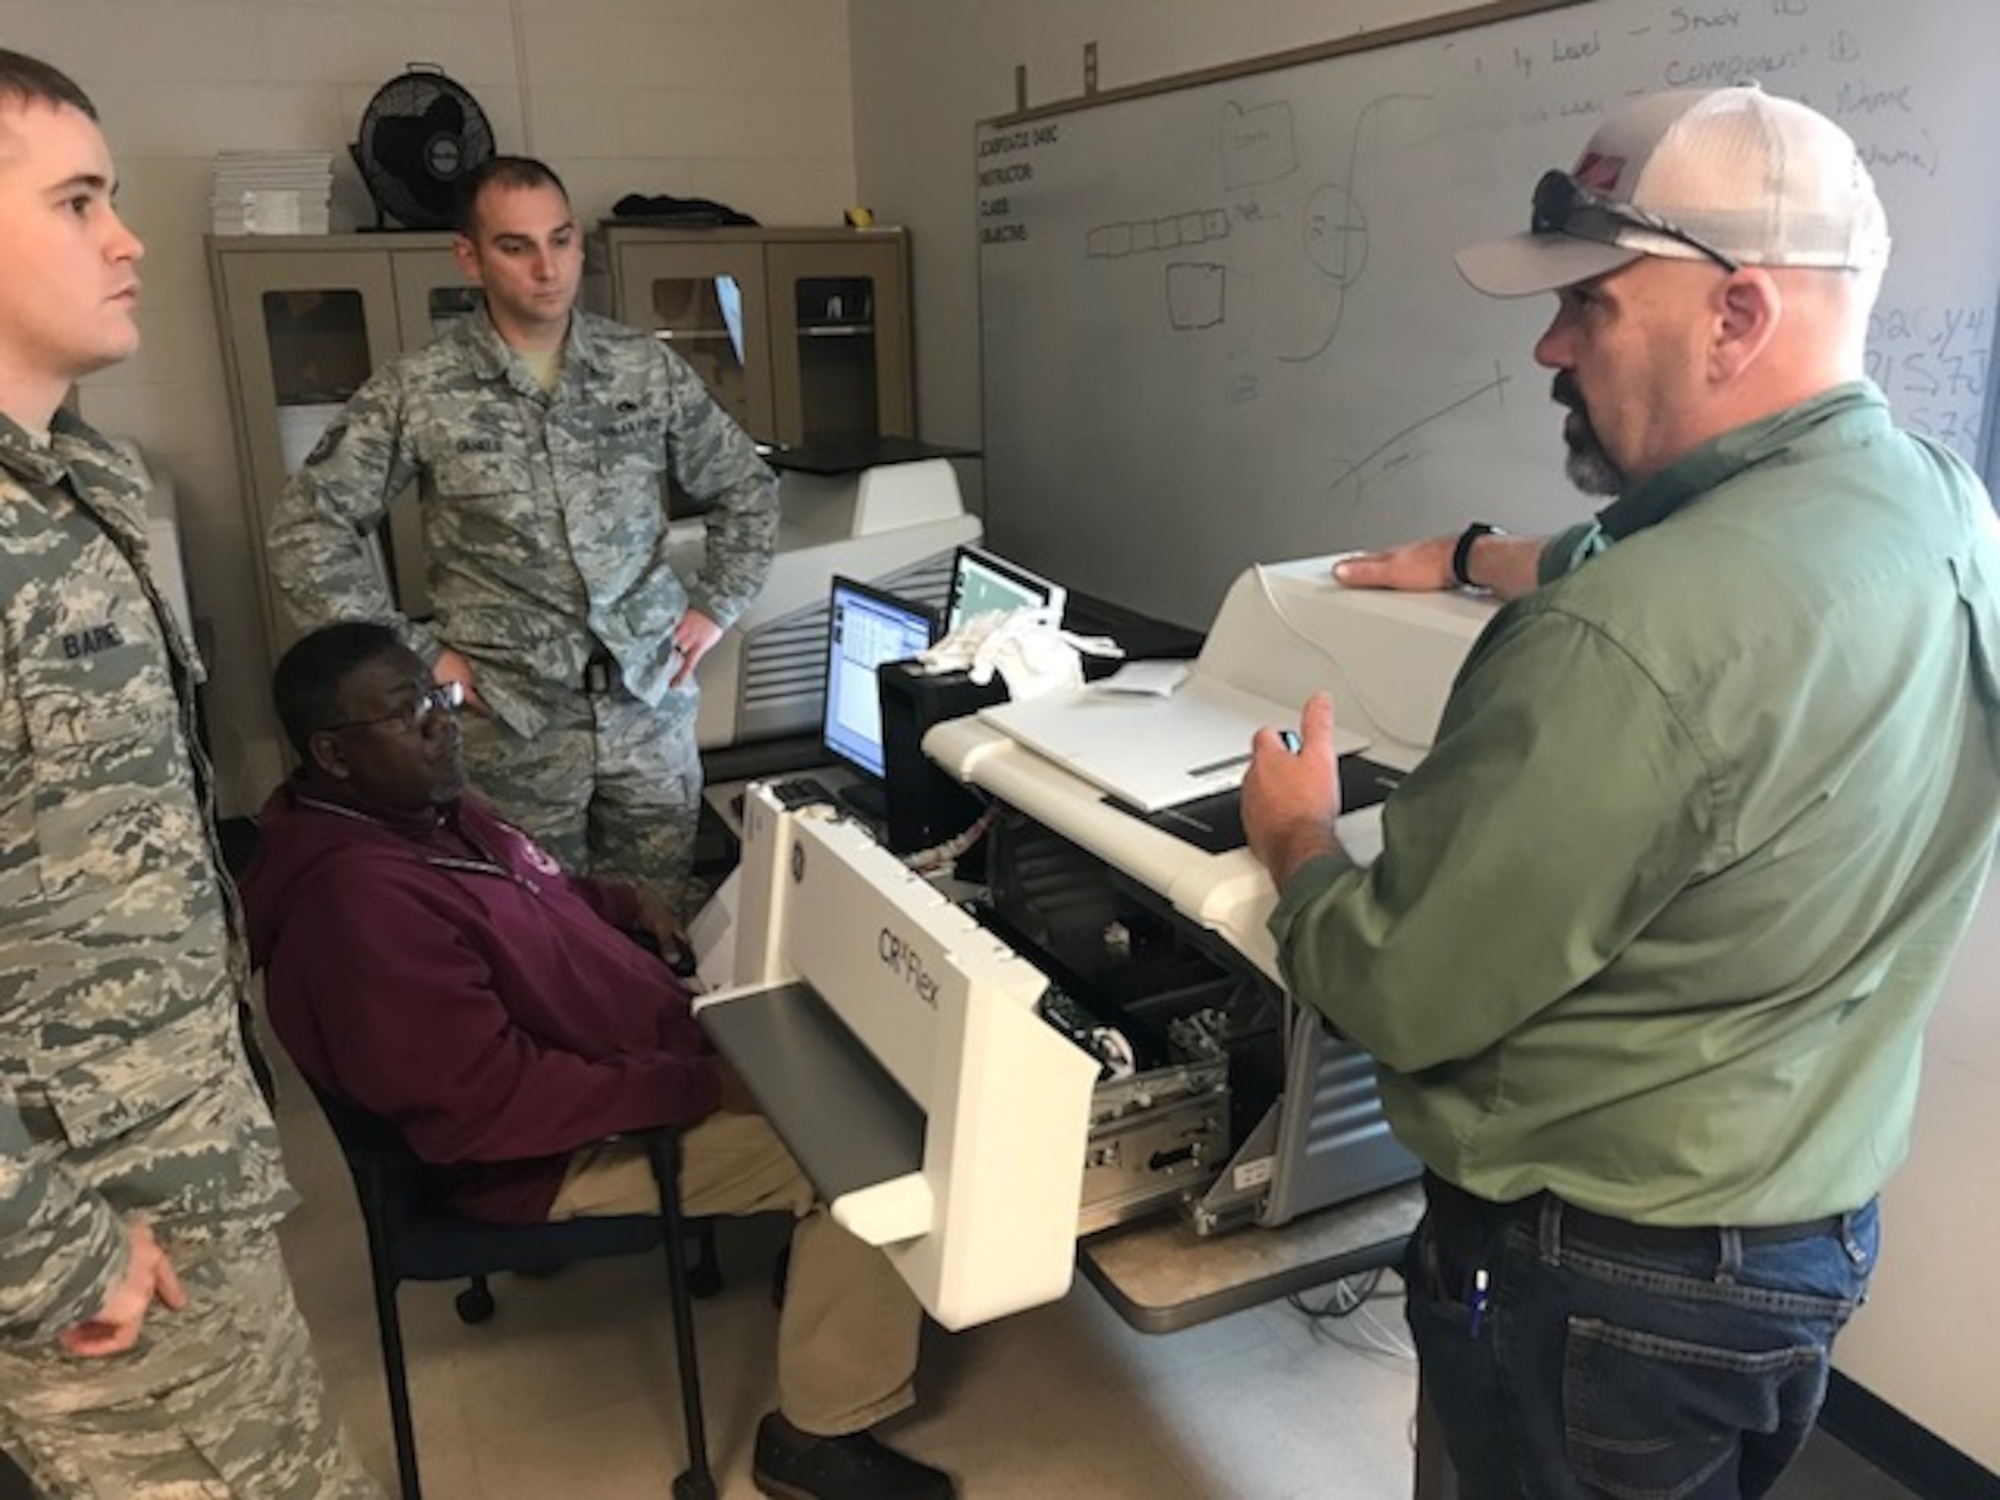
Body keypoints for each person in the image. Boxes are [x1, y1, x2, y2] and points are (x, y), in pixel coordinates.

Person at [1242, 85, 2000, 1497]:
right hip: (1802, 1242)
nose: (1548, 341)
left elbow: (1396, 986)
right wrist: (1473, 557)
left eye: (1588, 302)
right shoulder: (1935, 504)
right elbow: (1684, 564)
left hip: (1595, 1273)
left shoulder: (1619, 648)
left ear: (1736, 317)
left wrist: (1295, 843)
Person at [243, 620, 955, 1500]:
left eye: (441, 696)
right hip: (550, 1151)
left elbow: (528, 884)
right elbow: (488, 1104)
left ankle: (826, 1273)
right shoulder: (358, 905)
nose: (444, 721)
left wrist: (620, 902)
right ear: (333, 754)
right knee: (879, 1150)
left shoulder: (420, 814)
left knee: (828, 1038)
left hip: (632, 1057)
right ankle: (817, 1437)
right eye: (412, 711)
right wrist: (702, 1085)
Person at [0, 50, 380, 1498]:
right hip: (86, 1241)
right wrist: (52, 1251)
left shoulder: (72, 480)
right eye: (79, 200)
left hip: (173, 1169)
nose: (130, 237)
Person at [266, 154, 779, 915]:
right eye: (517, 246)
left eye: (562, 240)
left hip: (648, 709)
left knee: (661, 922)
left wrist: (717, 603)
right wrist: (415, 651)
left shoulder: (643, 370)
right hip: (510, 726)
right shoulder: (421, 389)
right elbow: (306, 528)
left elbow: (747, 488)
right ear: (470, 258)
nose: (548, 267)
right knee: (532, 932)